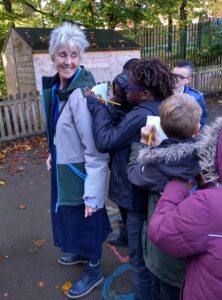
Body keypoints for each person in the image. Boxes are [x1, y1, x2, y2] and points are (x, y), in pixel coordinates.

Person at [87, 59, 176, 300]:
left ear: (145, 94)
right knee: (149, 250)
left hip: (134, 195)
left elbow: (106, 140)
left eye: (131, 89)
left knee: (138, 259)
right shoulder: (161, 106)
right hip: (149, 192)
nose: (126, 91)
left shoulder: (140, 116)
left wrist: (96, 107)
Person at [41, 22, 111, 299]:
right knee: (69, 214)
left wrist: (94, 195)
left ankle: (94, 269)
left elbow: (95, 151)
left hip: (80, 170)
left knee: (86, 216)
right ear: (53, 56)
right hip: (63, 164)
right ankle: (82, 253)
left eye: (74, 55)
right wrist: (51, 152)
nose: (68, 61)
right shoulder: (57, 87)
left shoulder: (81, 94)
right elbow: (58, 128)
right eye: (62, 54)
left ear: (80, 57)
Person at [127, 94, 202, 300]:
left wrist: (143, 145)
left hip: (163, 257)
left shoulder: (153, 165)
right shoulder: (206, 162)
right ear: (197, 129)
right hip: (196, 254)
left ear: (162, 125)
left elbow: (134, 172)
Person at [148, 116, 222, 300]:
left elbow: (160, 231)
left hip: (170, 270)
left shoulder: (208, 203)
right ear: (197, 129)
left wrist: (177, 184)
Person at [106, 72, 131, 247]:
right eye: (114, 94)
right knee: (124, 202)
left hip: (126, 165)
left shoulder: (132, 114)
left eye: (119, 95)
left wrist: (108, 112)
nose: (115, 97)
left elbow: (107, 140)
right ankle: (127, 232)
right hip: (118, 162)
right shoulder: (118, 107)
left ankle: (129, 236)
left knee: (127, 201)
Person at [172, 60, 208, 127]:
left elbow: (203, 116)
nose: (175, 79)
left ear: (189, 80)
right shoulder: (161, 92)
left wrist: (195, 130)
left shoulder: (196, 97)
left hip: (184, 135)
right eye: (173, 75)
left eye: (181, 77)